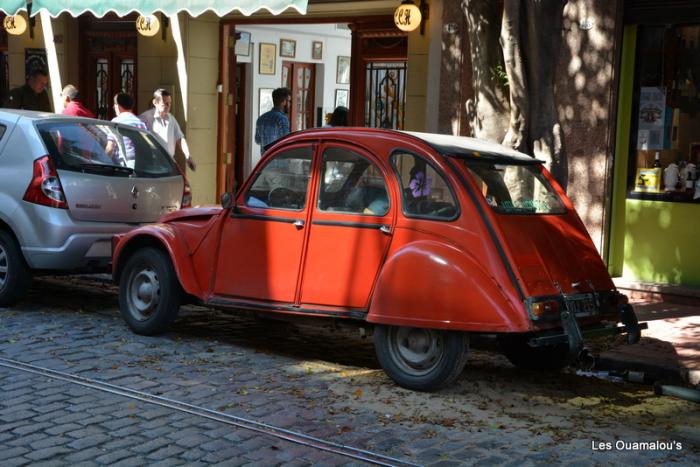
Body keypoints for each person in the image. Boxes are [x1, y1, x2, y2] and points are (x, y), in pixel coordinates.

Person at [139, 88, 196, 171]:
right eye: (164, 103)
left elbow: (180, 139)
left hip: (169, 163)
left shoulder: (171, 118)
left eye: (169, 103)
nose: (168, 106)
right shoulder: (145, 118)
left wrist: (188, 156)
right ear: (155, 103)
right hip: (152, 164)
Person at [106, 93, 147, 166]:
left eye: (114, 104)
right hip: (140, 163)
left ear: (118, 106)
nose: (113, 107)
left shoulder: (116, 122)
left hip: (124, 163)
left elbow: (110, 147)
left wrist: (103, 162)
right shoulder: (140, 122)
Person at [255, 87, 291, 152]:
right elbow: (286, 141)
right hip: (279, 158)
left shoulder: (261, 118)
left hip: (265, 159)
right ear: (284, 102)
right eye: (289, 101)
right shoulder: (282, 118)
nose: (290, 104)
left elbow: (257, 140)